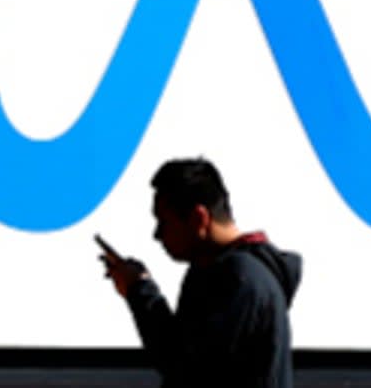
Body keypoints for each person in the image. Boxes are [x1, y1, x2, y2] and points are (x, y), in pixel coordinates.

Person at [98, 158, 302, 388]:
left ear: (199, 219)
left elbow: (188, 369)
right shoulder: (220, 272)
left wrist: (139, 289)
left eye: (164, 222)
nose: (157, 235)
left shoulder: (239, 279)